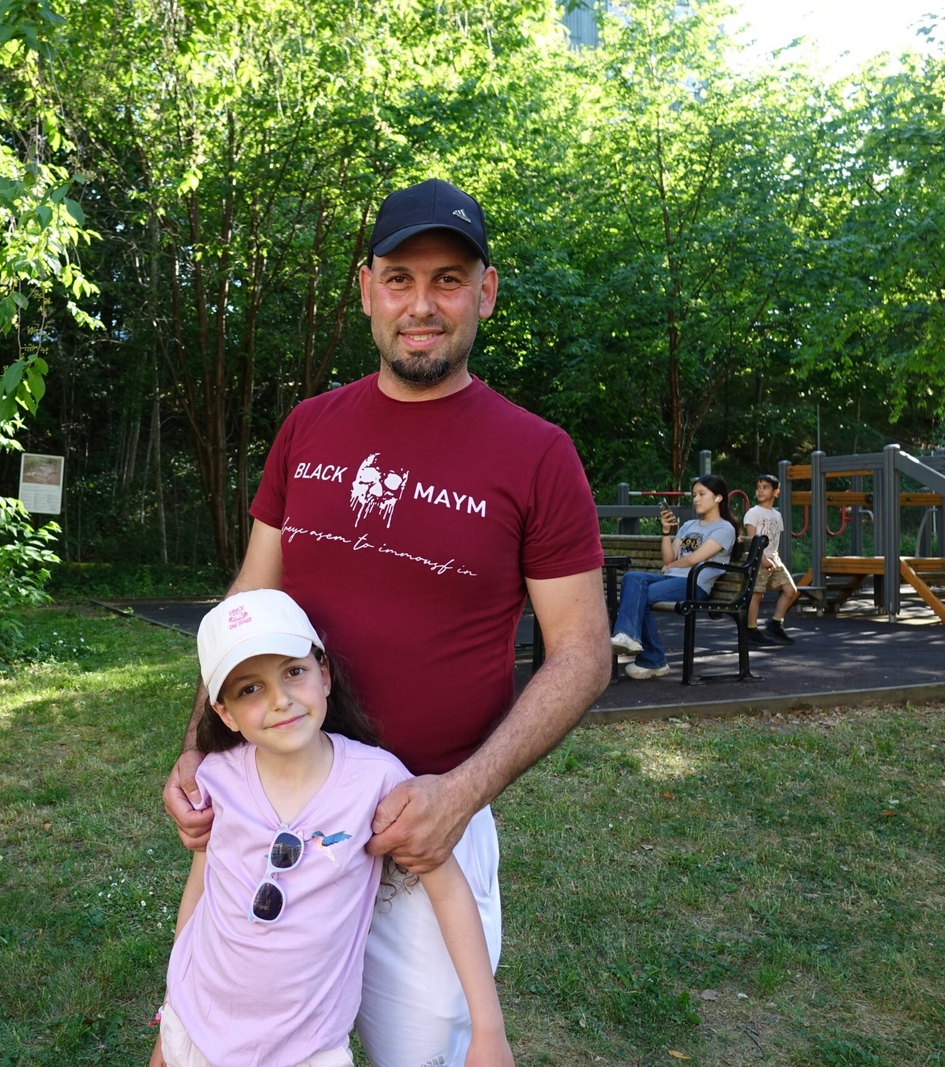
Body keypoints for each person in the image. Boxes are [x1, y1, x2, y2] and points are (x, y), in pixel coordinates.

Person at [162, 177, 610, 1065]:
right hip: (280, 811)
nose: (422, 304)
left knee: (423, 1053)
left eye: (449, 279)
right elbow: (245, 610)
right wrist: (198, 746)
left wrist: (462, 794)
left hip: (423, 829)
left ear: (484, 291)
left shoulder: (537, 454)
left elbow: (583, 654)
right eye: (400, 278)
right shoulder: (310, 427)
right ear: (366, 289)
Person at [150, 589, 513, 1067]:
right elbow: (201, 889)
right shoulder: (217, 778)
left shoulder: (377, 780)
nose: (280, 700)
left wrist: (488, 1030)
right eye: (249, 689)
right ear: (224, 713)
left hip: (308, 1048)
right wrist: (174, 1010)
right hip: (196, 1026)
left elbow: (448, 891)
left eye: (293, 672)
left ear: (324, 674)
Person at [608, 474, 737, 680]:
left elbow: (695, 559)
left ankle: (653, 659)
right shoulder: (688, 526)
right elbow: (669, 557)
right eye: (694, 495)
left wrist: (671, 565)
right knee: (632, 578)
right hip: (674, 580)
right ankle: (627, 637)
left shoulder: (724, 528)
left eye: (702, 494)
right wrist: (667, 532)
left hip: (695, 584)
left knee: (641, 596)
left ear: (718, 498)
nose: (696, 499)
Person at [742, 474, 798, 644]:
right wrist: (762, 558)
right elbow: (752, 540)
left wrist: (773, 558)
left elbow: (774, 539)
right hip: (759, 558)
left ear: (776, 491)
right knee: (757, 595)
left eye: (765, 487)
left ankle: (775, 624)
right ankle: (751, 630)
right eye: (758, 487)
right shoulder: (753, 512)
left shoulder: (776, 515)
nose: (760, 491)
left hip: (774, 558)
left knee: (790, 590)